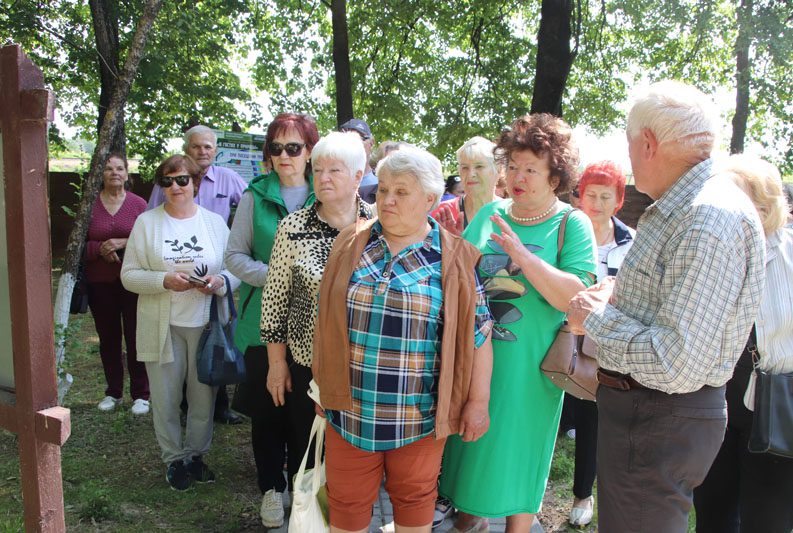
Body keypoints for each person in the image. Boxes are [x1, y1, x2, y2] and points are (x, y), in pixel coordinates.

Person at [567, 81, 766, 532]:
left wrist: (595, 318)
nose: (631, 161)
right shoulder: (691, 207)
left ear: (649, 144)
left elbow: (675, 362)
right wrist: (617, 294)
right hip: (651, 416)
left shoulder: (705, 216)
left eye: (630, 146)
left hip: (656, 415)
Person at [312, 147, 494, 532]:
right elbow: (326, 321)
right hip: (350, 411)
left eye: (401, 192)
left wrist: (478, 402)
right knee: (346, 504)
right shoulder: (351, 244)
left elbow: (479, 336)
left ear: (430, 199)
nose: (387, 200)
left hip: (418, 416)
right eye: (382, 191)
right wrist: (322, 387)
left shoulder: (454, 259)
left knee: (414, 502)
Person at [439, 113, 597, 532]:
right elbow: (457, 279)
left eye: (531, 169)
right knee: (471, 459)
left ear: (555, 177)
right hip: (477, 365)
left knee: (520, 459)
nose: (518, 176)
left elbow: (576, 298)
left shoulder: (571, 223)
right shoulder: (490, 212)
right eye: (513, 165)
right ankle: (467, 522)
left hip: (532, 373)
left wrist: (524, 257)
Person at [260, 131, 374, 529]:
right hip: (308, 370)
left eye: (335, 170)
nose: (323, 178)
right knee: (309, 457)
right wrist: (278, 365)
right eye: (318, 168)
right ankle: (310, 523)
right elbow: (275, 301)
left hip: (363, 369)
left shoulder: (379, 227)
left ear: (358, 176)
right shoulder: (293, 227)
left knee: (353, 465)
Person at [121, 154, 239, 491]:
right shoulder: (147, 223)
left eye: (182, 179)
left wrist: (220, 283)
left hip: (205, 326)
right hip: (163, 325)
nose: (175, 187)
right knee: (166, 396)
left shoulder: (215, 223)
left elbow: (235, 268)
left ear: (196, 183)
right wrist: (163, 281)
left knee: (203, 396)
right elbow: (128, 275)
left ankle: (196, 456)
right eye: (167, 181)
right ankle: (173, 459)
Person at [224, 112, 319, 527]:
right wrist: (279, 274)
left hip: (312, 330)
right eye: (276, 148)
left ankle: (302, 492)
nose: (284, 156)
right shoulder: (254, 196)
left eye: (293, 147)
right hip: (260, 327)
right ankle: (269, 489)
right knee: (267, 412)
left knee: (304, 413)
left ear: (310, 151)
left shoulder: (327, 194)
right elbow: (234, 256)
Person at [693, 154, 793, 533]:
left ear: (764, 204)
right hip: (715, 399)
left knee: (768, 521)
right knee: (713, 514)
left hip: (777, 404)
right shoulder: (714, 250)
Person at [148, 124, 247, 425]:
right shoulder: (170, 178)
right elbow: (152, 219)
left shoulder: (230, 179)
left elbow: (247, 212)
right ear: (187, 148)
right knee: (178, 353)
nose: (202, 152)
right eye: (196, 147)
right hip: (174, 279)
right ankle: (181, 407)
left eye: (208, 147)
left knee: (216, 342)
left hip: (213, 275)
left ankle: (219, 408)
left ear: (215, 150)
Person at [567, 160, 634, 527]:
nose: (595, 202)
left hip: (602, 344)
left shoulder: (631, 242)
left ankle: (582, 493)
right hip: (559, 334)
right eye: (589, 194)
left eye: (604, 195)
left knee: (591, 417)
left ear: (619, 200)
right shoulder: (564, 230)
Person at [85, 153, 149, 414]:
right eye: (109, 168)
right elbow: (80, 244)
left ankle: (141, 394)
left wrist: (123, 242)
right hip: (100, 282)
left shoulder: (138, 205)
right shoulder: (90, 205)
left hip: (133, 280)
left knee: (136, 336)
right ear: (101, 173)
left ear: (127, 173)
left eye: (119, 168)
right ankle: (113, 392)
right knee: (108, 338)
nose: (114, 173)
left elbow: (148, 241)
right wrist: (100, 249)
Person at [432, 136, 501, 236]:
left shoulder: (513, 212)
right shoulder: (443, 213)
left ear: (498, 170)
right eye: (465, 168)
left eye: (479, 166)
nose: (471, 174)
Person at [340, 118, 377, 203]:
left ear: (371, 143)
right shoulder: (333, 181)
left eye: (360, 138)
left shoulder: (382, 183)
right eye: (348, 139)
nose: (354, 143)